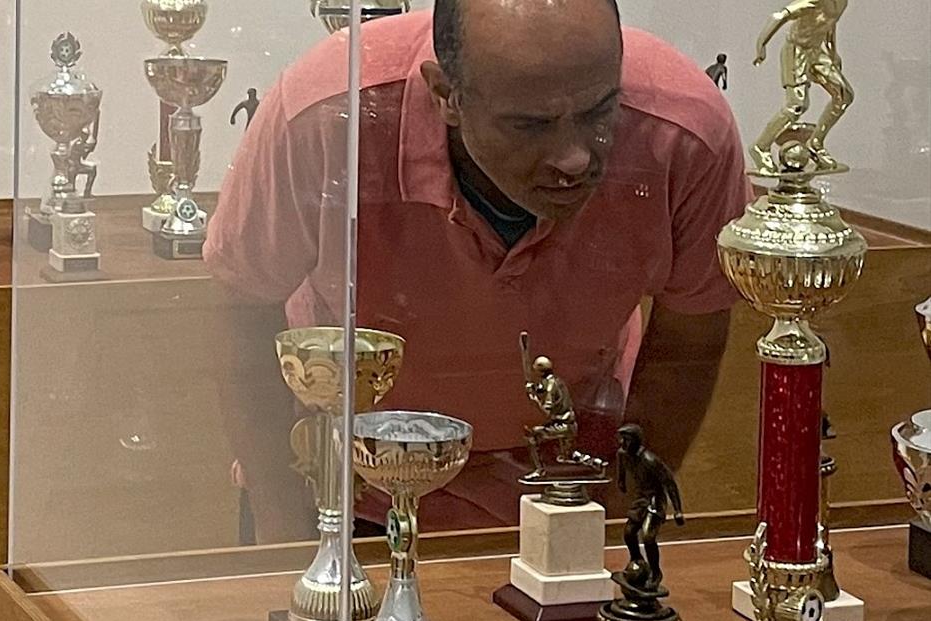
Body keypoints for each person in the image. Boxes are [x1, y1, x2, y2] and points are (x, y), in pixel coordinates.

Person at [204, 0, 749, 542]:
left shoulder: (685, 128)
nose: (575, 158)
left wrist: (618, 530)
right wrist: (284, 538)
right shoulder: (326, 113)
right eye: (530, 124)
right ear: (446, 95)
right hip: (344, 492)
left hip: (567, 495)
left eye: (599, 112)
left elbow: (689, 340)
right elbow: (244, 310)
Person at [751, 0, 853, 172]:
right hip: (796, 50)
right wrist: (761, 45)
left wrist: (832, 52)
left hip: (817, 52)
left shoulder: (842, 2)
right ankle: (760, 147)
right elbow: (779, 16)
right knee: (797, 105)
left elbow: (829, 24)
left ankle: (815, 142)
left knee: (844, 96)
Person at [617, 424, 685, 590]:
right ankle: (637, 561)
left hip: (655, 500)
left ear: (635, 441)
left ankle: (655, 572)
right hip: (641, 499)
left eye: (625, 440)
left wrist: (677, 510)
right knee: (629, 533)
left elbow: (669, 483)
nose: (622, 443)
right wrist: (621, 481)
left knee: (648, 536)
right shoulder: (623, 454)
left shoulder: (650, 461)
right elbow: (621, 469)